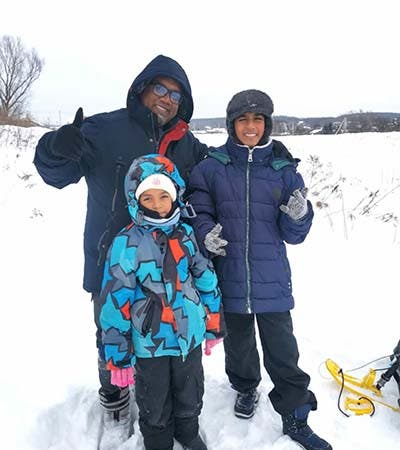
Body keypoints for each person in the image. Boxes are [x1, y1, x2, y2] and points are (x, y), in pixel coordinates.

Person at [33, 55, 210, 431]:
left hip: (167, 264)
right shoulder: (104, 129)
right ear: (142, 88)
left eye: (176, 94)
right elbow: (56, 173)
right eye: (160, 88)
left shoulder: (186, 143)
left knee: (163, 330)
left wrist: (256, 158)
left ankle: (166, 399)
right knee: (110, 327)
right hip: (110, 259)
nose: (167, 98)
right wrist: (54, 148)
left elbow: (214, 174)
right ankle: (113, 392)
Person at [188, 89, 332, 450]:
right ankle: (245, 387)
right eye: (242, 120)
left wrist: (300, 216)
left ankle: (296, 416)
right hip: (230, 273)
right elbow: (199, 211)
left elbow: (294, 234)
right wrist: (205, 235)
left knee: (283, 350)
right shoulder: (213, 167)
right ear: (231, 124)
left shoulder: (284, 172)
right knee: (238, 344)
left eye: (257, 120)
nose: (250, 127)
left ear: (266, 124)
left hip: (272, 279)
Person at [99, 154, 224, 450]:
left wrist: (213, 322)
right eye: (148, 197)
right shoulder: (126, 243)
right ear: (136, 199)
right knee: (154, 400)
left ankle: (188, 431)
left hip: (189, 336)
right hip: (149, 342)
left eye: (164, 196)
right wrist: (118, 354)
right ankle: (157, 440)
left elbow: (205, 278)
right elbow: (115, 302)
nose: (157, 204)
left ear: (175, 195)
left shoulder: (187, 234)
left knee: (190, 392)